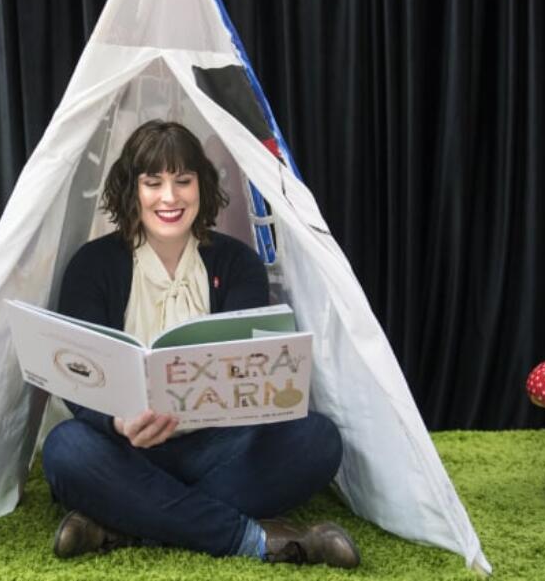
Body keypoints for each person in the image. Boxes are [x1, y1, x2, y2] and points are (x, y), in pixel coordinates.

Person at [41, 120, 360, 568]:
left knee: (317, 439)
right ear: (132, 190)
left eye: (183, 181)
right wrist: (117, 421)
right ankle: (254, 539)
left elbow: (251, 370)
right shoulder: (92, 265)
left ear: (201, 187)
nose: (169, 198)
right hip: (127, 449)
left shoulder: (238, 263)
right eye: (153, 182)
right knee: (66, 450)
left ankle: (120, 521)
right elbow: (78, 380)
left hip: (218, 448)